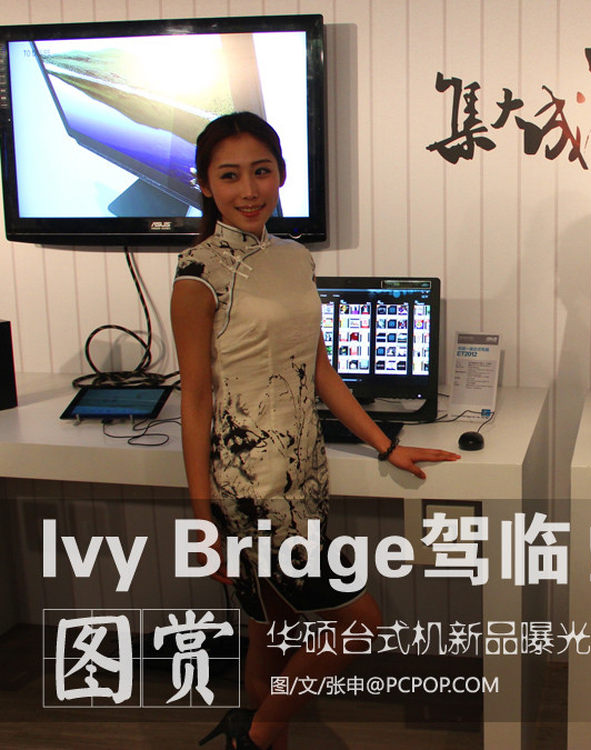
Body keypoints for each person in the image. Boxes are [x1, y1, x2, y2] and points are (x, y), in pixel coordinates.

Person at [171, 112, 460, 750]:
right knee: (360, 622)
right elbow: (195, 400)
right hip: (253, 486)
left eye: (261, 171)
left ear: (280, 174)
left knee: (271, 630)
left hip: (304, 469)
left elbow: (320, 367)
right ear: (206, 185)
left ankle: (253, 733)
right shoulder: (198, 273)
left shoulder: (294, 256)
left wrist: (386, 443)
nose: (249, 190)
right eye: (230, 176)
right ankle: (256, 734)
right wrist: (201, 518)